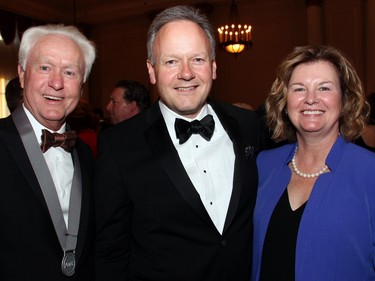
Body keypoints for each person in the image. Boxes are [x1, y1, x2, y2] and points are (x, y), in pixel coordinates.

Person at [95, 5, 261, 281]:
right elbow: (111, 251)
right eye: (171, 61)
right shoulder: (119, 144)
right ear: (152, 71)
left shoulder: (248, 125)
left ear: (213, 66)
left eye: (197, 59)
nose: (186, 73)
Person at [252, 45, 375, 281]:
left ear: (345, 99)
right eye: (299, 89)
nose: (310, 99)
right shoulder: (264, 165)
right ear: (285, 101)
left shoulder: (369, 172)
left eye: (324, 88)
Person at [0, 24, 96, 280]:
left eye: (70, 72)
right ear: (21, 75)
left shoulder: (87, 154)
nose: (57, 83)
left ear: (82, 85)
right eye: (45, 67)